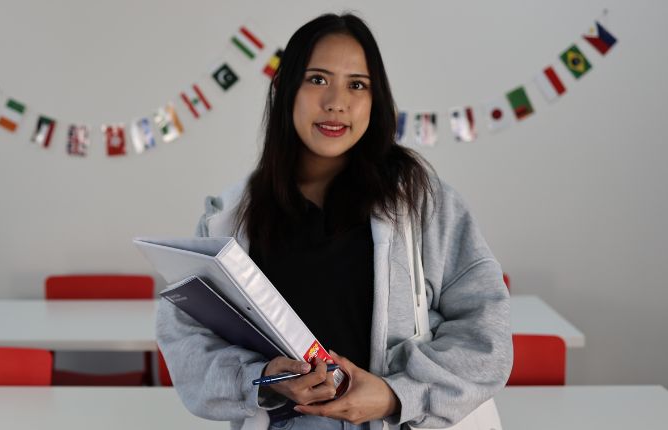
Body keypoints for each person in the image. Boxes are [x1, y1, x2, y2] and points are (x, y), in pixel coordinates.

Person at [157, 12, 512, 430]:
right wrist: (261, 378)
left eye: (357, 85)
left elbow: (486, 334)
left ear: (375, 99)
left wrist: (396, 394)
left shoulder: (424, 204)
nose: (336, 102)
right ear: (285, 88)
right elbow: (187, 338)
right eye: (317, 79)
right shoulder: (230, 217)